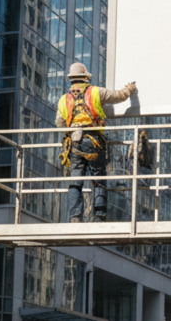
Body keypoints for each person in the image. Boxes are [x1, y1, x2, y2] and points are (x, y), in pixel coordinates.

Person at [55, 62, 137, 221]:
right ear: (86, 77)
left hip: (75, 142)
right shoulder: (95, 92)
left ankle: (75, 216)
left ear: (71, 79)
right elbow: (118, 96)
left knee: (76, 179)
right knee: (99, 177)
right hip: (93, 140)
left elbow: (59, 122)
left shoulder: (63, 99)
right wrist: (130, 89)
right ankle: (99, 214)